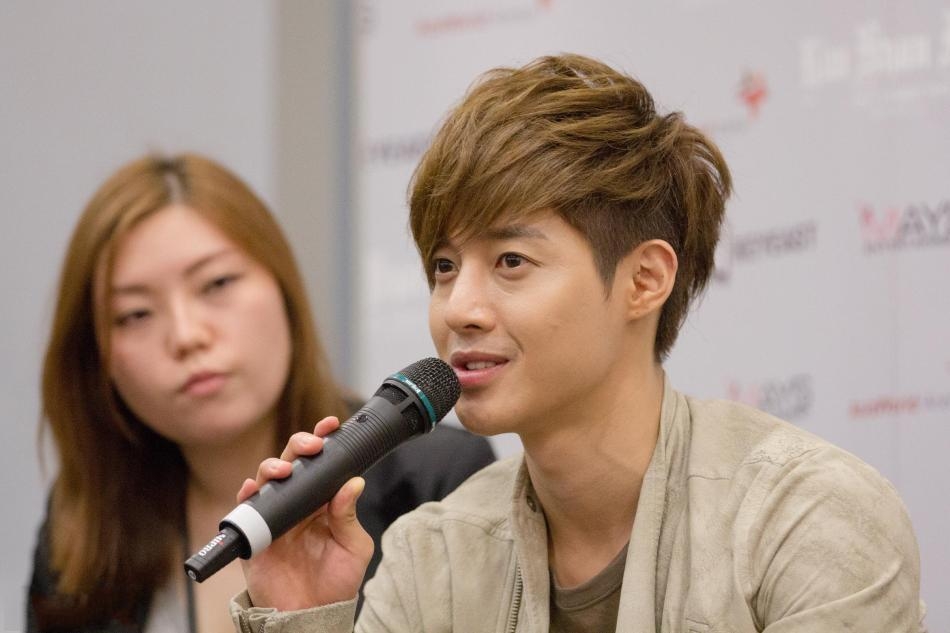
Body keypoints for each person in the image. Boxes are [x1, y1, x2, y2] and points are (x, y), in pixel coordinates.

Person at [231, 53, 928, 631]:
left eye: (511, 261)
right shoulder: (432, 555)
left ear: (644, 280)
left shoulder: (802, 516)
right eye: (444, 267)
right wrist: (303, 614)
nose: (459, 308)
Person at [27, 153, 495, 633]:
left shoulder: (432, 480)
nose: (187, 335)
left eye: (217, 284)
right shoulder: (80, 525)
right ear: (96, 358)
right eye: (136, 314)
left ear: (283, 288)